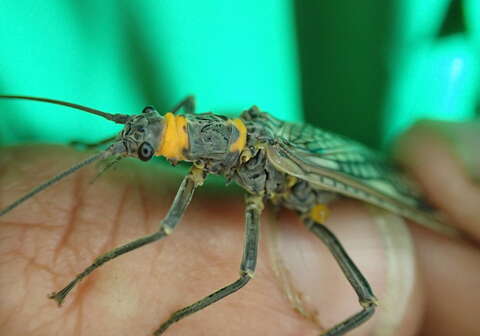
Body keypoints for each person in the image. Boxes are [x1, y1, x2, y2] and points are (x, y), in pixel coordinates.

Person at [0, 119, 478, 336]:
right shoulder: (194, 142)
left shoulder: (247, 160)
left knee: (358, 300)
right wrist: (120, 141)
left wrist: (171, 321)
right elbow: (146, 133)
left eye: (150, 141)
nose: (148, 137)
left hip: (321, 192)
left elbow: (173, 234)